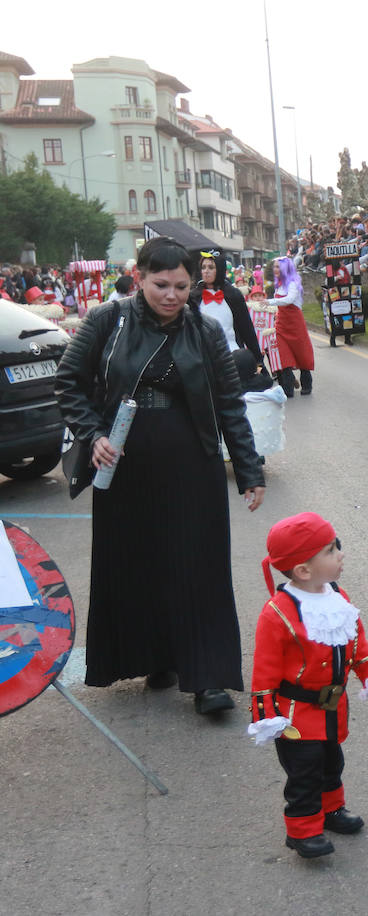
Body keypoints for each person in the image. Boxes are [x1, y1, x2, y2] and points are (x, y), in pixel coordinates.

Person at [54, 237, 266, 714]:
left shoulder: (207, 331)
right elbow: (68, 382)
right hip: (122, 466)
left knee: (199, 566)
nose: (172, 295)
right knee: (137, 563)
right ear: (139, 278)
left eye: (182, 286)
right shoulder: (106, 320)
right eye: (160, 284)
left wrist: (249, 470)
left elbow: (230, 405)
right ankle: (156, 657)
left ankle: (207, 677)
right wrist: (94, 434)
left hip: (194, 463)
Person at [249, 512, 368, 859]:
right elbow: (264, 670)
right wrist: (266, 715)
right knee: (304, 772)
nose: (340, 554)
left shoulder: (337, 595)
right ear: (303, 570)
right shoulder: (278, 613)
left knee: (331, 761)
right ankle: (302, 831)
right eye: (331, 550)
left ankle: (331, 810)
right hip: (296, 715)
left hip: (331, 706)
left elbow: (356, 641)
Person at [189, 248, 264, 365]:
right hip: (204, 358)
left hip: (232, 354)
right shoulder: (194, 297)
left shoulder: (232, 294)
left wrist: (257, 360)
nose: (206, 271)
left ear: (219, 269)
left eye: (211, 267)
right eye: (203, 267)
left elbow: (246, 328)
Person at [266, 256, 316, 395]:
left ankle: (307, 384)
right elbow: (279, 305)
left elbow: (288, 300)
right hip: (281, 325)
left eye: (277, 266)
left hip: (295, 325)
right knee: (284, 357)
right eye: (274, 266)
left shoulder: (293, 283)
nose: (275, 269)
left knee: (302, 355)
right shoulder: (278, 285)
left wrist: (269, 302)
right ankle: (287, 388)